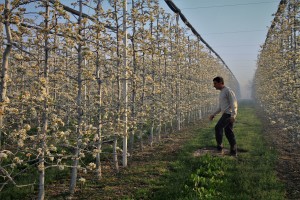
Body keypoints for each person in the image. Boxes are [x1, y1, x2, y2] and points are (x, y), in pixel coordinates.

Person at [209, 76, 238, 156]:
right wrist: (213, 114)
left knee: (218, 127)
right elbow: (220, 107)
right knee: (228, 132)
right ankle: (233, 150)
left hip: (228, 114)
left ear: (220, 83)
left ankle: (220, 146)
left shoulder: (228, 91)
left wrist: (233, 116)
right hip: (226, 113)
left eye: (215, 83)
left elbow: (234, 103)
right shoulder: (222, 92)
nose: (214, 85)